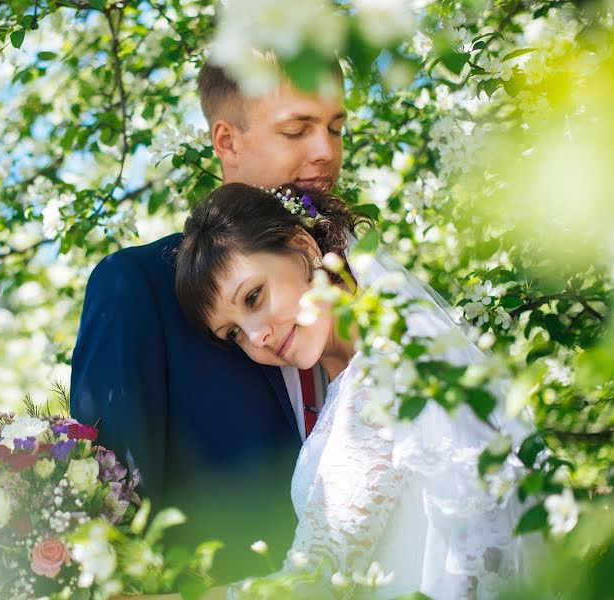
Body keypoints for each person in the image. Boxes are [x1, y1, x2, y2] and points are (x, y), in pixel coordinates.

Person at [174, 183, 529, 599]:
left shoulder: (384, 377)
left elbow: (312, 583)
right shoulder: (350, 385)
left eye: (254, 296)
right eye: (233, 333)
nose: (258, 337)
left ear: (302, 246)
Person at [69, 61, 347, 581]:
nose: (325, 152)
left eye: (336, 128)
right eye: (296, 129)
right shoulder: (138, 286)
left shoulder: (366, 278)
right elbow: (117, 521)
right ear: (228, 140)